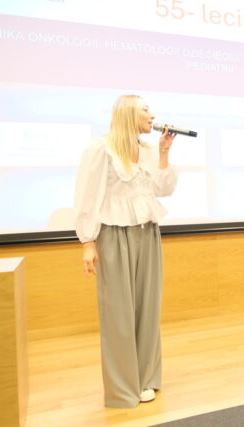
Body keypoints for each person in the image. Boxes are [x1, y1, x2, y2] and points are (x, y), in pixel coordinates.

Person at [74, 95, 178, 408]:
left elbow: (163, 189)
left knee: (148, 308)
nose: (152, 115)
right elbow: (87, 196)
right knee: (119, 313)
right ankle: (123, 388)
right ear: (127, 113)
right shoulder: (101, 148)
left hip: (148, 233)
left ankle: (146, 378)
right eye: (145, 109)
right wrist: (88, 242)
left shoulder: (147, 150)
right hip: (113, 234)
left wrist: (164, 152)